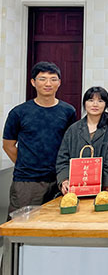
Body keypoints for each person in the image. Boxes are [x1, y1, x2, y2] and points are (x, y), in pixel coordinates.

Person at [2, 61, 76, 216]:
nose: (48, 84)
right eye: (42, 79)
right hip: (27, 182)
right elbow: (8, 145)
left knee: (56, 222)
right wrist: (25, 164)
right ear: (33, 82)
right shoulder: (19, 112)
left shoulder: (68, 111)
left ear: (59, 83)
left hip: (59, 180)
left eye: (53, 79)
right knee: (20, 223)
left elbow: (71, 145)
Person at [56, 86, 108, 194]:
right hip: (76, 186)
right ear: (84, 103)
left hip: (104, 188)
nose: (95, 104)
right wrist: (64, 180)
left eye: (100, 101)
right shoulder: (73, 129)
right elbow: (62, 159)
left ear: (106, 105)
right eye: (91, 100)